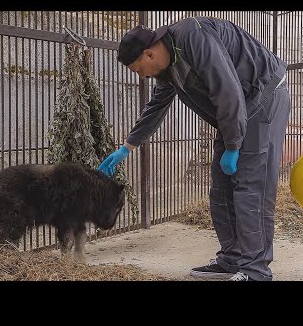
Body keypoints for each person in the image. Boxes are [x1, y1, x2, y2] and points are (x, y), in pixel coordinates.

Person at [97, 16, 291, 281]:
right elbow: (156, 107)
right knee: (221, 186)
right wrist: (127, 147)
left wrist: (233, 145)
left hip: (263, 96)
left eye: (138, 69)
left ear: (149, 53)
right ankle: (232, 259)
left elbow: (227, 89)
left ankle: (255, 270)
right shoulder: (169, 68)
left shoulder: (192, 36)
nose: (141, 76)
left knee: (250, 187)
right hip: (236, 111)